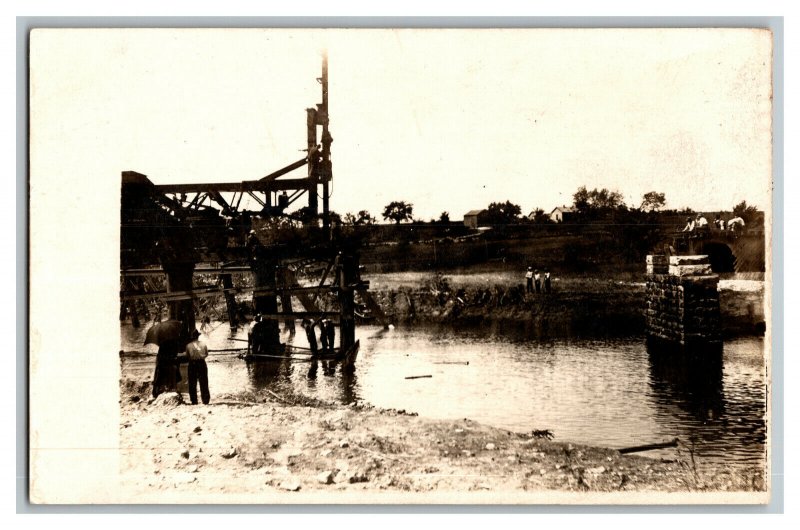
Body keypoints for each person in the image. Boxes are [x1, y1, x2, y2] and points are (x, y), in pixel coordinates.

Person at [185, 329, 210, 405]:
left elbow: (187, 356)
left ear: (192, 337)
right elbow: (206, 354)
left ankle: (194, 400)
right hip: (202, 364)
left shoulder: (188, 345)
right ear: (198, 337)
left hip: (192, 364)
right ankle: (205, 400)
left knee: (192, 383)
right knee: (204, 382)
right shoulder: (203, 344)